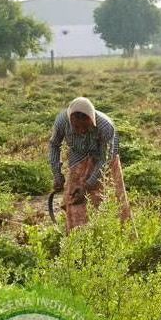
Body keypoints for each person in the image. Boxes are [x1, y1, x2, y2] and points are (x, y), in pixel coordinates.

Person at [48, 96, 130, 232]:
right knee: (74, 199)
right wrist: (57, 174)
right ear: (70, 122)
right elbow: (54, 145)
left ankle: (114, 233)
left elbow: (105, 159)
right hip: (78, 157)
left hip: (104, 158)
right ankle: (76, 234)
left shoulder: (105, 127)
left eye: (86, 126)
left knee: (109, 199)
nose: (81, 131)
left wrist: (87, 186)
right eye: (77, 127)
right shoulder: (62, 121)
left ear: (92, 120)